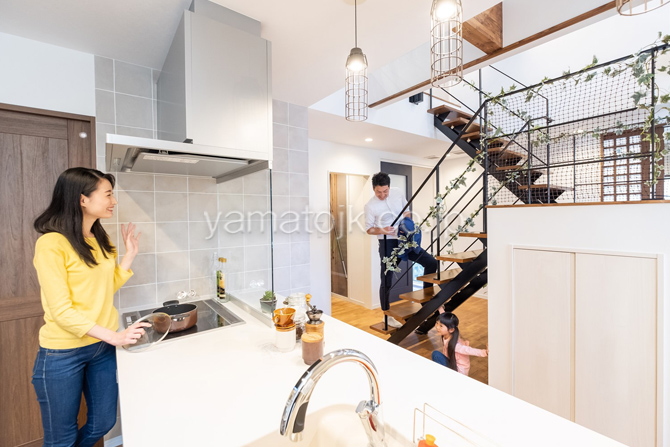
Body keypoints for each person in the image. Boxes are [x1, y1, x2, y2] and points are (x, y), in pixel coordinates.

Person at [31, 167, 149, 447]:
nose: (113, 201)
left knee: (103, 423)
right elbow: (61, 311)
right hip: (62, 352)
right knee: (62, 439)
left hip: (100, 348)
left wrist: (129, 257)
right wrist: (115, 337)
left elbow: (103, 288)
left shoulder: (100, 239)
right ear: (83, 199)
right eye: (107, 194)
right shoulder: (51, 244)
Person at [364, 172, 438, 328]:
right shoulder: (370, 206)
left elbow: (406, 211)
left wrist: (407, 223)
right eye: (378, 192)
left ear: (389, 187)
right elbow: (369, 229)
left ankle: (426, 301)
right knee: (386, 279)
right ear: (373, 189)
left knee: (431, 262)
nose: (382, 195)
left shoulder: (397, 192)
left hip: (406, 239)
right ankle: (386, 315)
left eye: (385, 191)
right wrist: (382, 230)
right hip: (388, 244)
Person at [431, 312, 488, 376]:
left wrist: (485, 352)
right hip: (452, 363)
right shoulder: (451, 333)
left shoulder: (456, 345)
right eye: (437, 323)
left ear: (451, 329)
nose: (437, 327)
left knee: (436, 355)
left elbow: (468, 350)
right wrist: (439, 307)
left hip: (459, 372)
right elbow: (445, 317)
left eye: (441, 326)